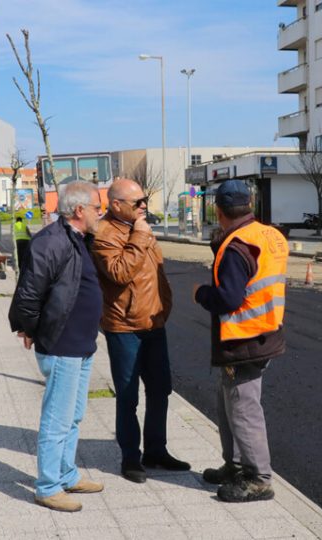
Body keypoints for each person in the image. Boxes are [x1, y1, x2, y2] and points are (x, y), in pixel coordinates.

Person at [8, 181, 105, 513]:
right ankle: (48, 486)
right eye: (96, 207)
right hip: (62, 344)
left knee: (74, 416)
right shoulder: (50, 242)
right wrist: (30, 328)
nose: (100, 213)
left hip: (82, 345)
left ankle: (66, 474)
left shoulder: (78, 239)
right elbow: (28, 293)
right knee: (57, 418)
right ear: (79, 210)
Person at [193, 180, 289, 503]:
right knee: (228, 404)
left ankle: (258, 477)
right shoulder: (268, 235)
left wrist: (201, 294)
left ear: (218, 211)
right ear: (249, 205)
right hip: (265, 332)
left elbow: (229, 298)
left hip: (243, 340)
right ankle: (233, 465)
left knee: (244, 408)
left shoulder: (236, 247)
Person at [90, 178, 190, 484]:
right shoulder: (105, 234)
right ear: (117, 205)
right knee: (128, 395)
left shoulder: (139, 227)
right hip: (125, 327)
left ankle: (156, 450)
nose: (144, 205)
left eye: (144, 200)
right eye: (138, 202)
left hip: (153, 323)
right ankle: (130, 457)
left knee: (161, 390)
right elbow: (120, 273)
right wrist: (139, 237)